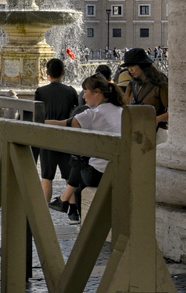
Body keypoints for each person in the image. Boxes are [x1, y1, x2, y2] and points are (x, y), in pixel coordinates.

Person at [45, 75, 125, 223]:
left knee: (79, 166)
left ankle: (81, 222)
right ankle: (64, 200)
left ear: (97, 92)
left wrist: (39, 122)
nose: (83, 95)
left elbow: (63, 124)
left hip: (100, 173)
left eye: (85, 90)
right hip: (121, 168)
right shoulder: (120, 110)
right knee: (81, 157)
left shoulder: (93, 114)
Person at [33, 58, 81, 208]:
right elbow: (76, 112)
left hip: (47, 138)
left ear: (46, 73)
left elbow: (37, 116)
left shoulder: (40, 92)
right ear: (63, 73)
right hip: (66, 137)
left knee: (47, 177)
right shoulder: (71, 91)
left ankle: (43, 214)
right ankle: (73, 212)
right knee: (68, 176)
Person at [120, 48, 168, 128]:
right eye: (128, 66)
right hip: (135, 130)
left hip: (155, 132)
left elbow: (173, 112)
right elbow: (125, 108)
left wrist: (157, 119)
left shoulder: (160, 85)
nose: (130, 69)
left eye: (132, 65)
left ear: (142, 65)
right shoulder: (131, 85)